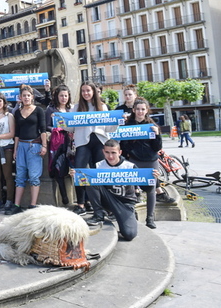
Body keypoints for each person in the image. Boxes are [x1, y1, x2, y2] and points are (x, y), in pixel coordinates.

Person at [65, 81, 115, 215]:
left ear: (93, 91)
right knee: (79, 172)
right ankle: (80, 204)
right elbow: (70, 128)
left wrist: (117, 122)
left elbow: (109, 128)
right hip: (82, 143)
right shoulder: (76, 108)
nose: (86, 93)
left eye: (88, 90)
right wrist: (61, 120)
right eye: (83, 91)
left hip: (99, 141)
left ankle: (104, 204)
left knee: (100, 173)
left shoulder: (102, 107)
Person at [120, 97, 168, 229]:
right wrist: (130, 153)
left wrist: (157, 135)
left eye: (143, 109)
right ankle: (129, 216)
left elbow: (157, 147)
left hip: (150, 160)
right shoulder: (127, 125)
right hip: (134, 160)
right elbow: (123, 144)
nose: (140, 112)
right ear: (133, 110)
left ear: (146, 110)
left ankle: (150, 218)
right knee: (130, 188)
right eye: (138, 109)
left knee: (151, 189)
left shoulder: (152, 126)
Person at [82, 140, 138, 241]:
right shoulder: (98, 165)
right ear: (103, 152)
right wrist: (77, 177)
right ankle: (99, 214)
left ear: (120, 152)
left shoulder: (130, 166)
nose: (110, 156)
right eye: (107, 152)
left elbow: (146, 187)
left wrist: (154, 179)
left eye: (113, 153)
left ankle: (122, 218)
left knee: (129, 234)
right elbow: (87, 187)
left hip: (125, 204)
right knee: (90, 178)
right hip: (107, 199)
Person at [7, 84, 47, 215]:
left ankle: (32, 205)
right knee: (20, 176)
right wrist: (15, 149)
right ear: (20, 97)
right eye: (23, 96)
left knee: (34, 177)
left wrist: (44, 145)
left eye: (28, 95)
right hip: (22, 145)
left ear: (32, 97)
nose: (26, 98)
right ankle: (17, 204)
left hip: (34, 145)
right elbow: (17, 133)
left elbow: (43, 129)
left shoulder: (39, 110)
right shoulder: (17, 112)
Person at [45, 84, 73, 206]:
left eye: (66, 96)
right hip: (57, 144)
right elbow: (46, 126)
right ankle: (64, 197)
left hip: (70, 143)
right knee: (58, 169)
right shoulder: (51, 110)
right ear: (57, 96)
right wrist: (57, 129)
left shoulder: (71, 109)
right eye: (61, 96)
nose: (63, 98)